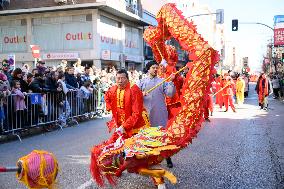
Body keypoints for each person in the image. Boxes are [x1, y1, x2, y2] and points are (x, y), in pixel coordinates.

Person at [137, 60, 176, 168]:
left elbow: (170, 94)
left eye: (156, 68)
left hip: (159, 112)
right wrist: (140, 93)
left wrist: (171, 82)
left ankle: (167, 157)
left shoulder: (162, 81)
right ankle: (147, 159)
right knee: (147, 136)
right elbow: (134, 94)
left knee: (162, 136)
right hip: (146, 114)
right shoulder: (141, 82)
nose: (155, 69)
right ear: (148, 69)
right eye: (153, 68)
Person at [104, 69, 149, 142]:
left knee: (134, 147)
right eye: (118, 78)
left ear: (127, 79)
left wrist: (125, 126)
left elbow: (136, 113)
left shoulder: (134, 90)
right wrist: (110, 108)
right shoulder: (114, 88)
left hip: (136, 124)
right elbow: (107, 96)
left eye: (123, 78)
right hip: (120, 122)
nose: (120, 81)